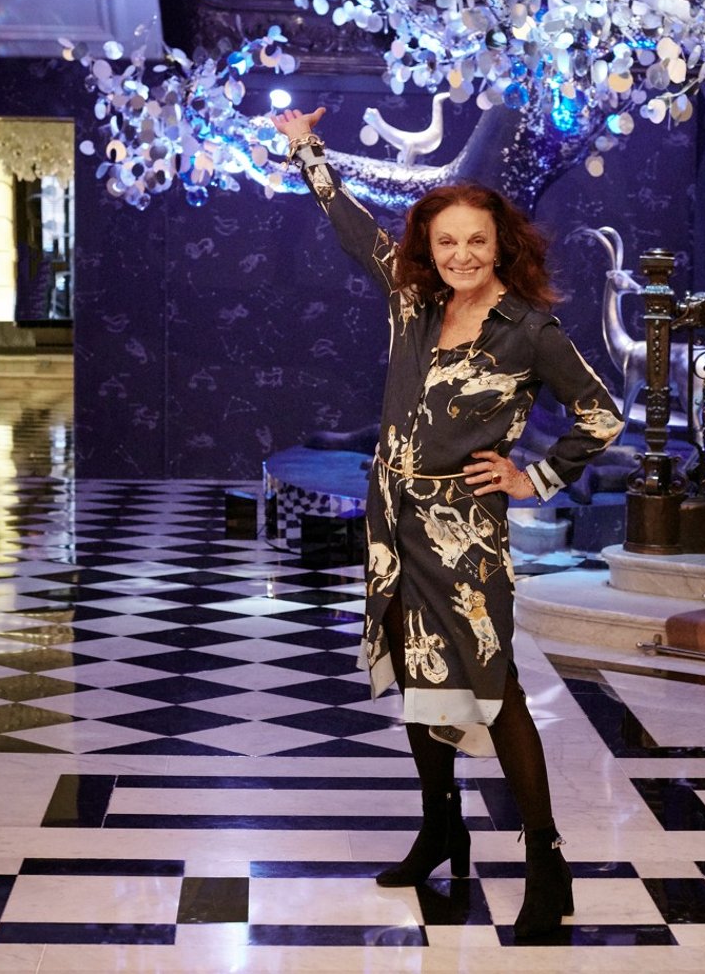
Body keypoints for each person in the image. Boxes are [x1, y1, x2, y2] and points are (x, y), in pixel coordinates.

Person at [273, 105, 621, 940]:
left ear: (500, 244)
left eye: (475, 240)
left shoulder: (529, 329)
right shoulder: (413, 304)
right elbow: (352, 226)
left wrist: (531, 476)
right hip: (393, 520)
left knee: (493, 691)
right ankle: (440, 825)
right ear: (428, 249)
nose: (459, 255)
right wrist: (307, 150)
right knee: (417, 672)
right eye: (445, 243)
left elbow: (601, 415)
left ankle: (547, 857)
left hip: (466, 533)